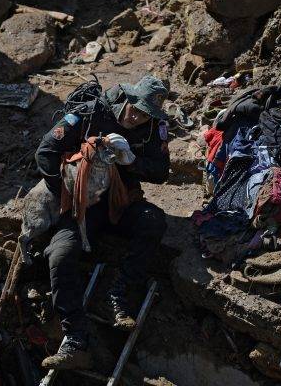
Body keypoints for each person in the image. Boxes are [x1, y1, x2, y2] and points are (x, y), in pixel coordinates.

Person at [35, 75, 170, 370]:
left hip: (120, 201)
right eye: (135, 109)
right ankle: (75, 340)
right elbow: (45, 152)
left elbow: (161, 172)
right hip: (82, 205)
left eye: (145, 114)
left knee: (153, 221)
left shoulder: (152, 129)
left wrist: (131, 161)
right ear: (127, 98)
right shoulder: (90, 113)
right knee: (60, 255)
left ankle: (117, 296)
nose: (136, 117)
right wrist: (69, 193)